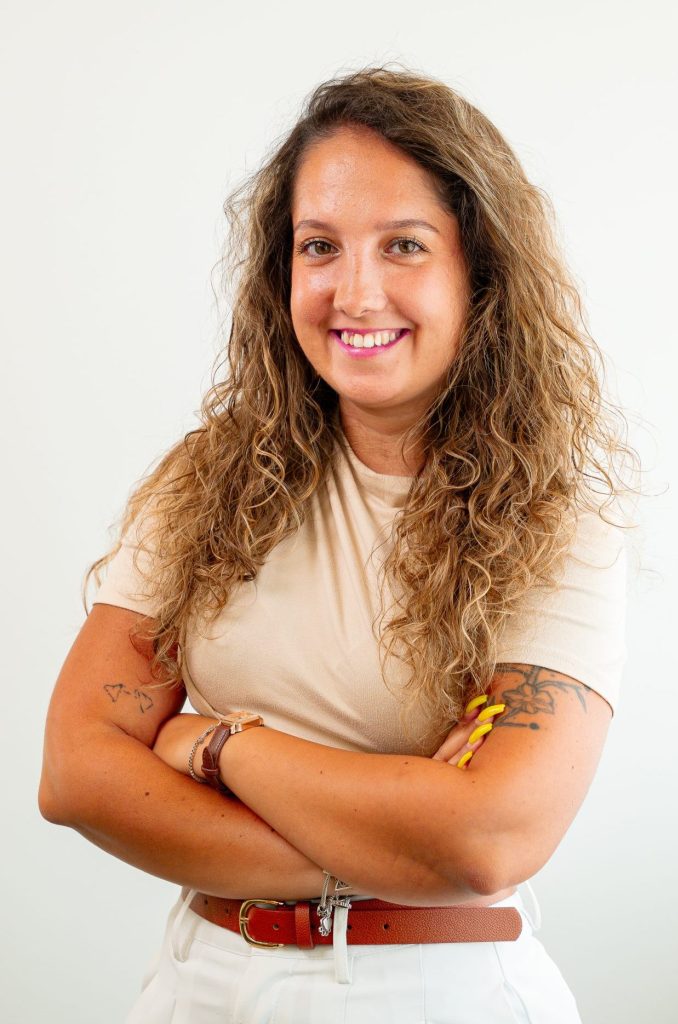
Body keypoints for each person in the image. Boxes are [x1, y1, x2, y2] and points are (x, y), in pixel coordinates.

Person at [39, 65, 638, 1023]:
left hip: (434, 989)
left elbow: (488, 842)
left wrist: (215, 744)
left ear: (479, 273)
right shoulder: (207, 484)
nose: (355, 293)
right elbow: (77, 772)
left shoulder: (556, 523)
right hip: (201, 979)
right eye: (320, 246)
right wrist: (396, 845)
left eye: (404, 245)